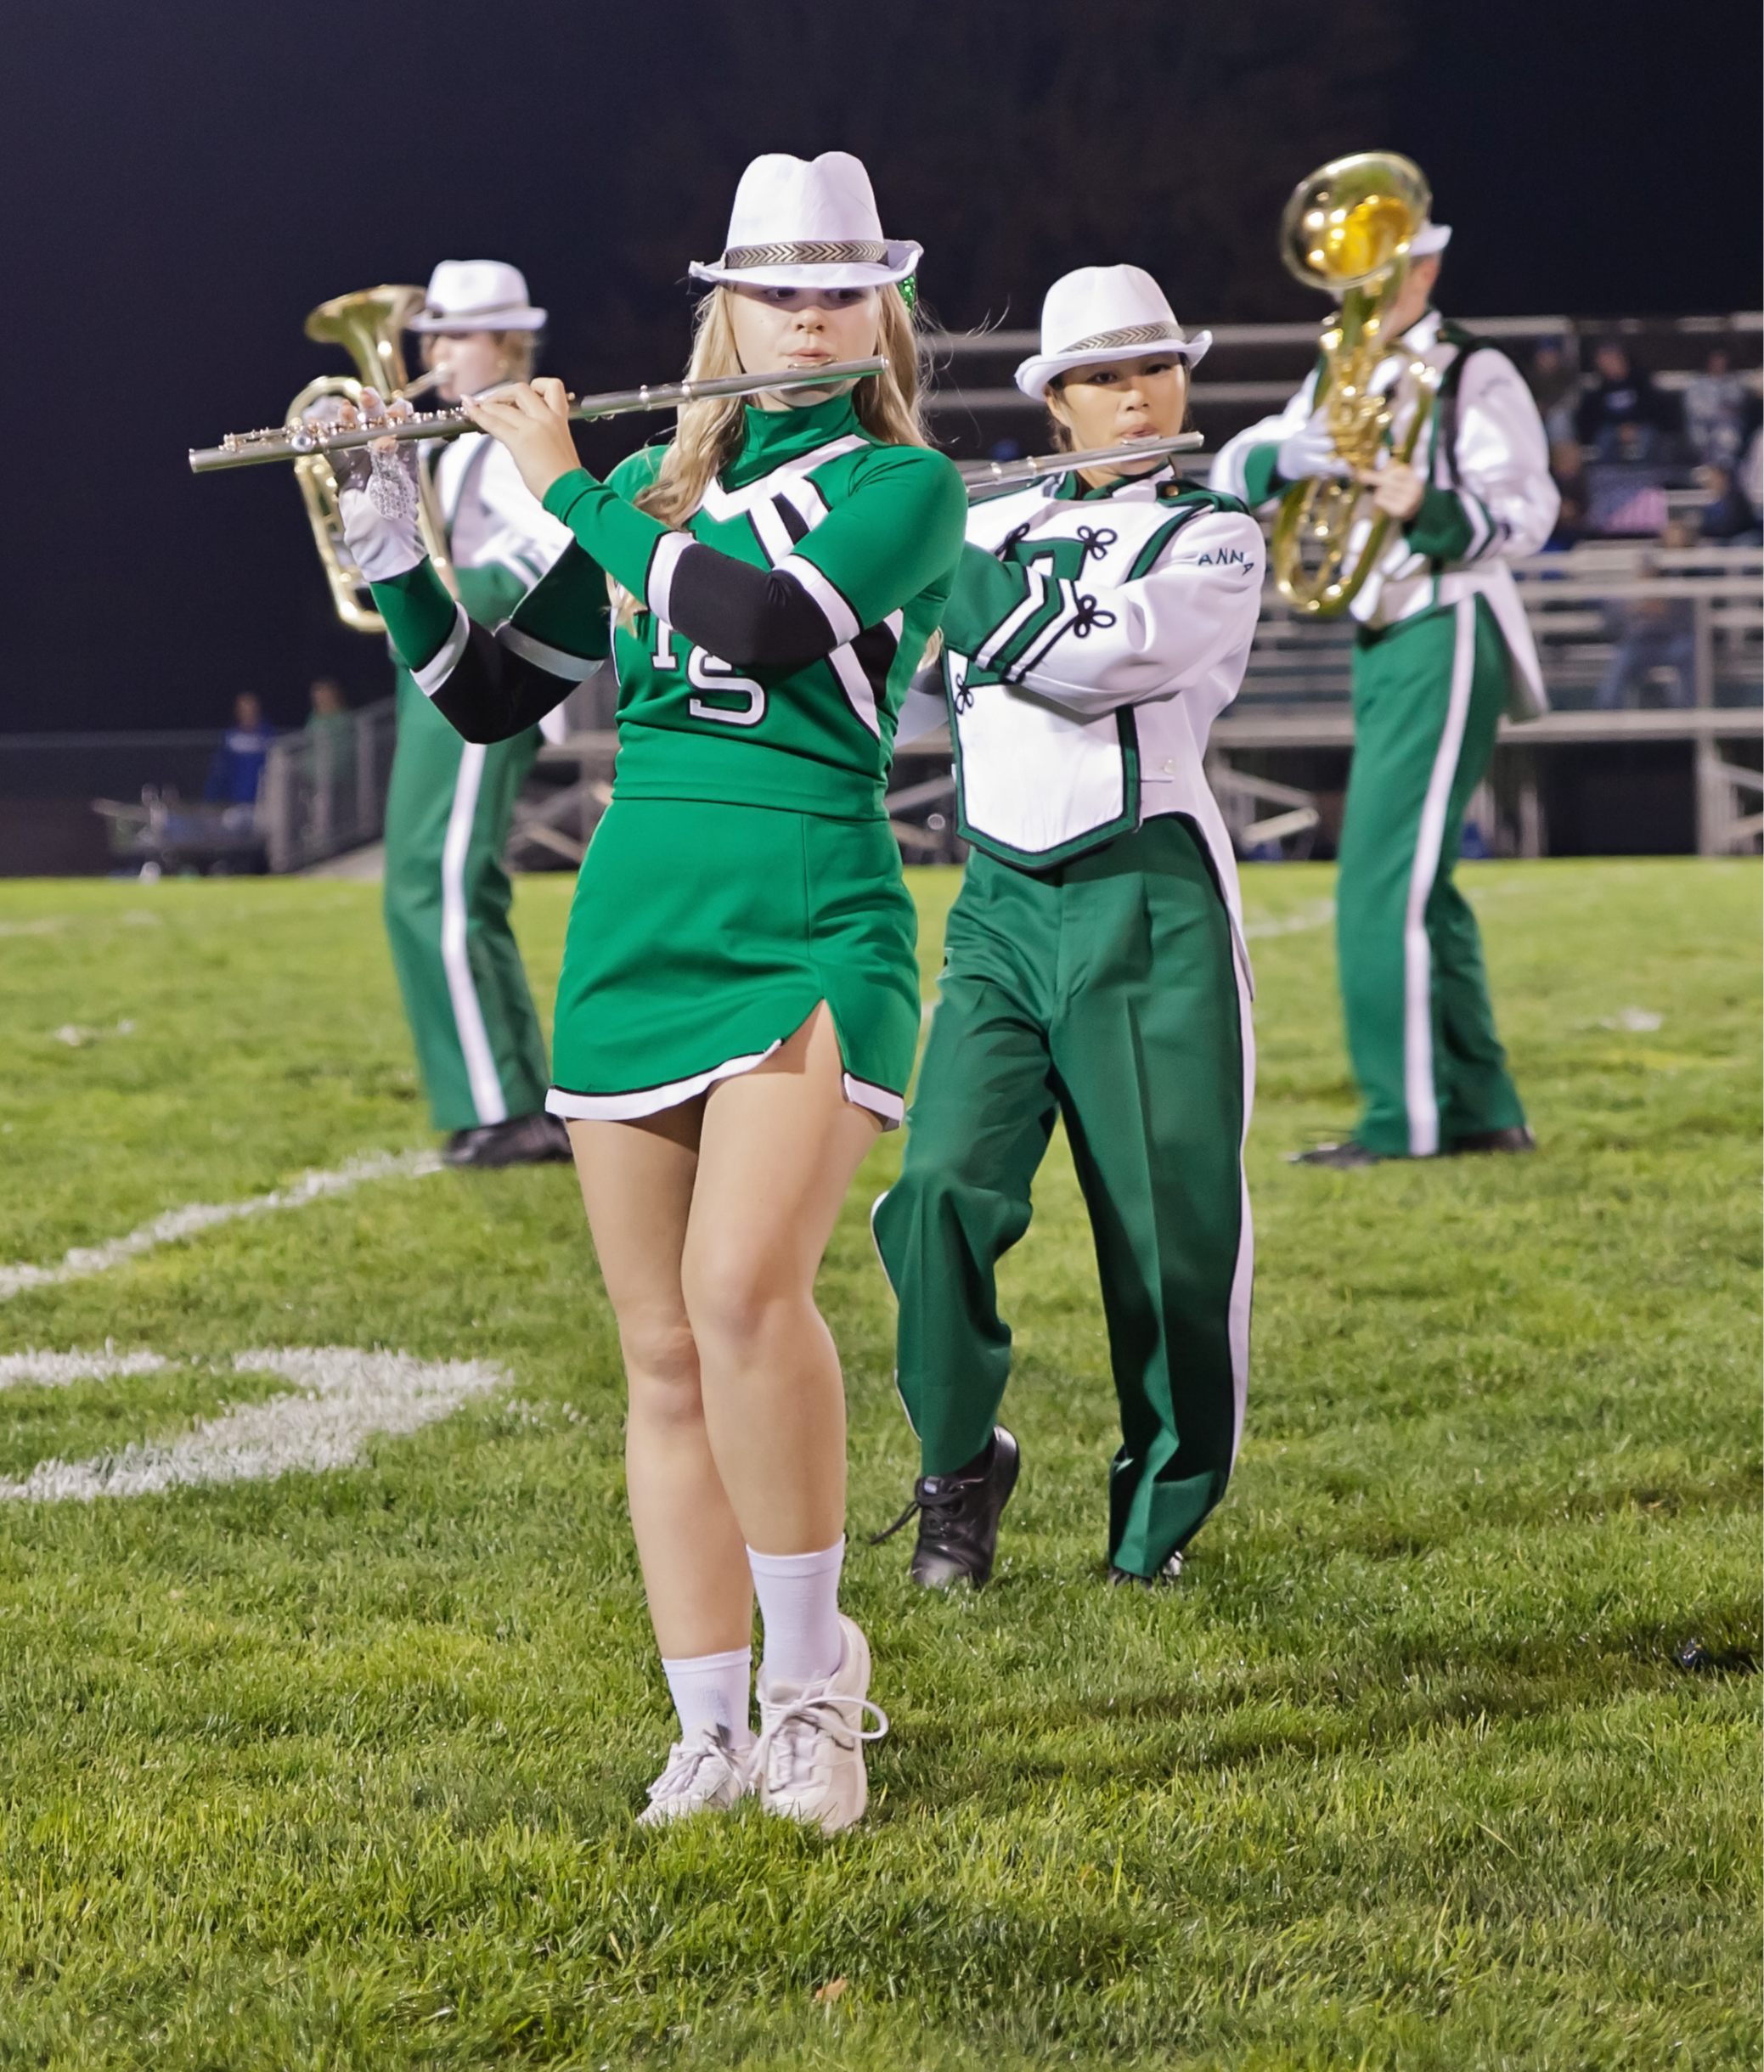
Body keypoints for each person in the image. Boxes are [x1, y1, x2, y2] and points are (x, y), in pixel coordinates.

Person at [337, 153, 967, 1831]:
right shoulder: (644, 481)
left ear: (880, 311)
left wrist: (559, 485)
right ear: (729, 310)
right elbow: (485, 698)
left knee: (750, 1287)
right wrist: (393, 539)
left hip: (812, 908)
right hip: (636, 920)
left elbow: (763, 625)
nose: (815, 311)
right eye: (783, 287)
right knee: (662, 1346)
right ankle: (706, 1723)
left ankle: (816, 1690)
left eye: (844, 288)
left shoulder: (906, 487)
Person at [871, 266, 1261, 1591]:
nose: (1139, 391)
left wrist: (927, 552)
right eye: (1105, 374)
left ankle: (1155, 1523)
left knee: (1168, 1238)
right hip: (995, 905)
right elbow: (871, 660)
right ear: (1056, 403)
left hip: (1143, 898)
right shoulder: (979, 517)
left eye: (1156, 365)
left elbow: (1097, 662)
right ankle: (958, 1466)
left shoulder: (1215, 532)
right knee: (934, 1196)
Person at [1212, 214, 1558, 1167]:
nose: (1363, 291)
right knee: (1421, 888)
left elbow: (1529, 509)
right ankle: (1484, 1110)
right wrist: (1289, 457)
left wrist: (1429, 506)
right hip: (1385, 630)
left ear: (1426, 266)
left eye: (1386, 270)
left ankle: (1400, 1125)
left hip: (1447, 620)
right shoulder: (1338, 371)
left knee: (1375, 883)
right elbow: (1232, 468)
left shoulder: (1468, 370)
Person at [385, 262, 578, 1170]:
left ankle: (500, 1107)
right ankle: (513, 1094)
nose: (435, 353)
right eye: (433, 336)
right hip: (448, 671)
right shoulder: (458, 440)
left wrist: (487, 597)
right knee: (455, 882)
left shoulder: (497, 440)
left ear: (506, 341)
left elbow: (564, 547)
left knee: (440, 879)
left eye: (455, 335)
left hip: (482, 667)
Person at [1595, 520, 1697, 710]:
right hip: (1642, 640)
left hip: (1675, 639)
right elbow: (1613, 619)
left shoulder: (1693, 569)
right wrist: (1635, 607)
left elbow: (1692, 613)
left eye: (1678, 532)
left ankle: (1690, 712)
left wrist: (1668, 609)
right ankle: (1607, 714)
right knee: (1623, 656)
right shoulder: (1648, 565)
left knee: (1688, 651)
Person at [1575, 337, 1675, 461]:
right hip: (1613, 431)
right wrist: (1619, 429)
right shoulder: (1599, 389)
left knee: (1649, 437)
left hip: (1642, 427)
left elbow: (1655, 409)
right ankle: (1608, 475)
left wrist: (1634, 426)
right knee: (1604, 437)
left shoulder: (1641, 380)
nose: (1605, 364)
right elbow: (1592, 419)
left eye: (1608, 359)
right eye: (1601, 361)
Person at [203, 692, 275, 819]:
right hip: (234, 804)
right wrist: (211, 801)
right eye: (244, 709)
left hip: (263, 804)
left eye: (251, 709)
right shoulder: (230, 738)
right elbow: (218, 773)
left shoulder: (268, 738)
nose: (248, 713)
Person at [1682, 346, 1749, 470]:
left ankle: (1726, 474)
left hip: (1726, 432)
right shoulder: (1696, 384)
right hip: (1701, 432)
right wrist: (1717, 412)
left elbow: (1735, 407)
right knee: (1702, 439)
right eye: (1716, 359)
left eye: (1722, 359)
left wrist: (1724, 411)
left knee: (1728, 438)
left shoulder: (1733, 383)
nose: (1719, 363)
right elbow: (1695, 410)